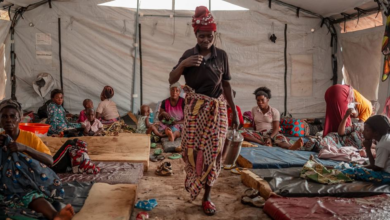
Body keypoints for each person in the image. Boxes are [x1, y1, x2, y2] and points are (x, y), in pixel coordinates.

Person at [169, 6, 239, 216]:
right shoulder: (188, 55)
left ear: (214, 35)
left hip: (217, 112)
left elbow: (226, 86)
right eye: (202, 36)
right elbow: (172, 79)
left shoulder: (222, 56)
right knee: (193, 153)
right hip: (194, 112)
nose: (206, 39)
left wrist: (234, 112)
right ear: (196, 35)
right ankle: (194, 181)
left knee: (214, 155)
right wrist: (184, 64)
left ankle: (207, 197)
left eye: (209, 36)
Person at [0, 99, 74, 220]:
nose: (8, 120)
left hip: (27, 182)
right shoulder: (0, 139)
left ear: (19, 118)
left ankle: (55, 216)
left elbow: (50, 161)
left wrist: (24, 148)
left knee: (33, 196)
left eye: (12, 116)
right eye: (4, 116)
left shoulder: (29, 137)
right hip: (5, 184)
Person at [337, 115, 390, 183]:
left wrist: (368, 149)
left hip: (387, 175)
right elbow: (375, 165)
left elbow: (376, 168)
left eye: (367, 130)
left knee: (356, 171)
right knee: (356, 165)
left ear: (376, 133)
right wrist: (362, 166)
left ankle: (337, 172)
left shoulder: (383, 145)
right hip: (382, 169)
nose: (363, 132)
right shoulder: (384, 137)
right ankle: (344, 168)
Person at [300, 108, 365, 154]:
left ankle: (306, 143)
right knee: (321, 145)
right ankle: (299, 146)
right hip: (337, 140)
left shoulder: (373, 141)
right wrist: (346, 116)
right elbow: (341, 133)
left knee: (325, 151)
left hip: (345, 150)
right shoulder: (359, 126)